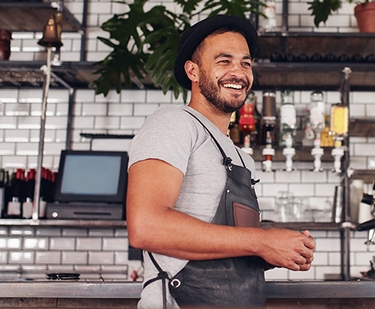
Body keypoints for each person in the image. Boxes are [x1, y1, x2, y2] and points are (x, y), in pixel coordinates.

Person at [126, 15, 316, 309]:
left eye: (245, 63)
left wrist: (277, 250)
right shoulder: (174, 124)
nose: (238, 72)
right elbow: (145, 226)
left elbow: (235, 244)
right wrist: (262, 242)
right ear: (193, 70)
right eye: (224, 61)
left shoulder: (241, 158)